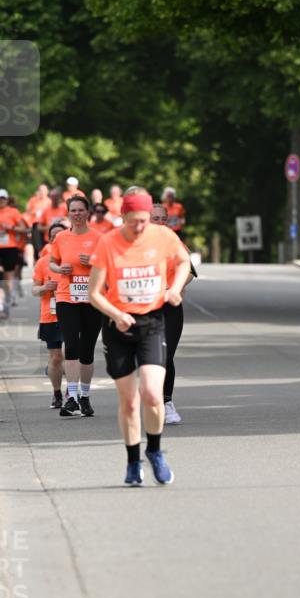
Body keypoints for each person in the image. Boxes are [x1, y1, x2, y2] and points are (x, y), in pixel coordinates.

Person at [88, 188, 190, 486]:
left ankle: (155, 451)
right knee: (130, 402)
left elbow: (184, 262)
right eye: (134, 221)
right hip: (118, 326)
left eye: (145, 220)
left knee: (152, 395)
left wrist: (174, 289)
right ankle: (133, 461)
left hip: (152, 323)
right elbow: (94, 293)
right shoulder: (108, 243)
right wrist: (117, 315)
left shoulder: (163, 237)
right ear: (123, 216)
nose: (141, 227)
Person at [49, 195, 103, 417]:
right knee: (71, 345)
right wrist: (59, 269)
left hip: (92, 299)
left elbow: (110, 266)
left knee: (87, 349)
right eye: (73, 211)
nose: (77, 214)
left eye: (81, 210)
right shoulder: (61, 237)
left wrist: (91, 262)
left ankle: (85, 396)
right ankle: (71, 397)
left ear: (88, 212)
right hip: (66, 298)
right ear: (68, 213)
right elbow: (52, 260)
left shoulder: (99, 238)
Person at [150, 201, 197, 424]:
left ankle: (166, 402)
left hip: (170, 306)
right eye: (154, 218)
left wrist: (175, 287)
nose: (159, 223)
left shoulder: (173, 241)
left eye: (162, 219)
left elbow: (189, 270)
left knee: (166, 356)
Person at [32, 221, 67, 409]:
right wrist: (45, 287)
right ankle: (57, 393)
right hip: (50, 316)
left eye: (60, 234)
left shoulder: (74, 260)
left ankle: (74, 392)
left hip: (73, 313)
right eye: (53, 235)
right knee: (55, 358)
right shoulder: (43, 262)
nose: (57, 238)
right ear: (50, 239)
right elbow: (34, 290)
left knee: (72, 355)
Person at [0, 189, 27, 319]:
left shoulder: (14, 212)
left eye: (4, 199)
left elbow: (24, 229)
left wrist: (11, 228)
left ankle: (7, 300)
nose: (1, 201)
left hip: (10, 248)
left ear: (7, 200)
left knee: (8, 279)